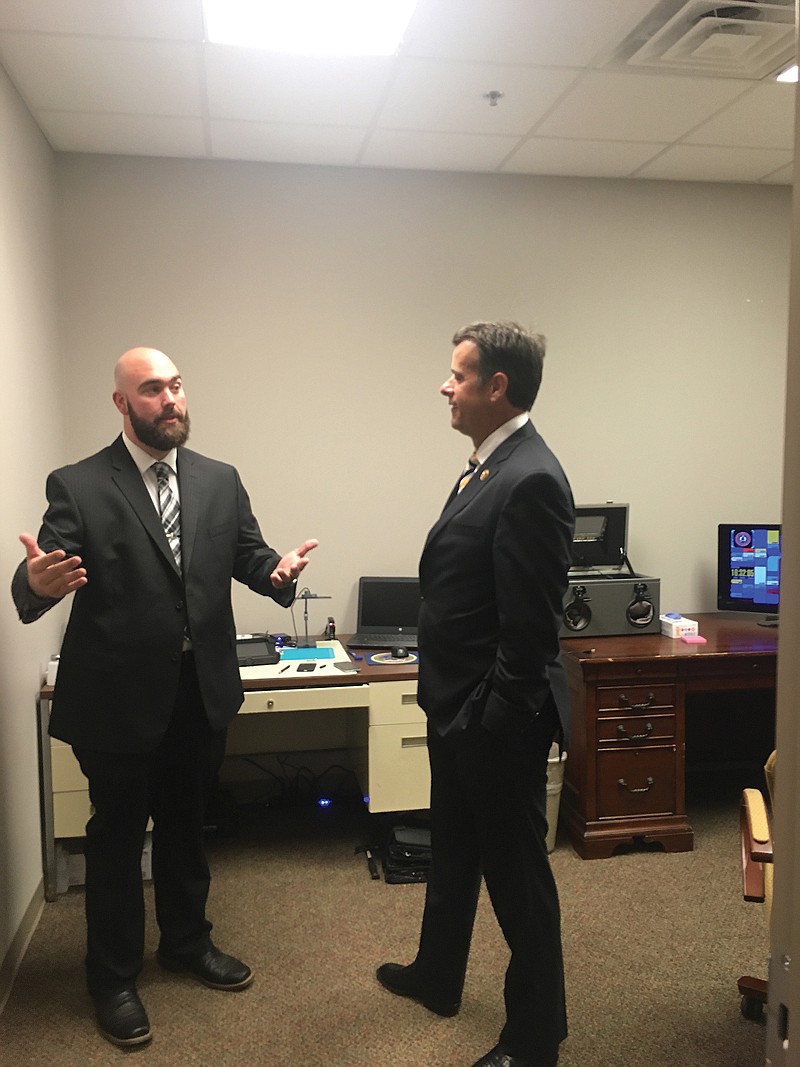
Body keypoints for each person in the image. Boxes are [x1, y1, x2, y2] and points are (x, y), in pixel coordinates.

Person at [12, 347, 318, 1048]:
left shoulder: (217, 478)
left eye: (176, 385)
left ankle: (186, 941)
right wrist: (37, 584)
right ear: (122, 403)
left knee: (188, 823)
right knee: (117, 839)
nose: (170, 399)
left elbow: (248, 554)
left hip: (199, 692)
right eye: (152, 389)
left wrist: (276, 572)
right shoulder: (81, 485)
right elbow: (38, 575)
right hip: (117, 701)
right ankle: (112, 975)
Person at [376, 321, 575, 1067]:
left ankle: (535, 1038)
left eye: (457, 374)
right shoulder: (487, 467)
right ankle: (438, 974)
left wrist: (490, 719)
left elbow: (531, 631)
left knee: (519, 878)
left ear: (498, 387)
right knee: (454, 847)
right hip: (454, 705)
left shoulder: (534, 478)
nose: (444, 385)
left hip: (493, 720)